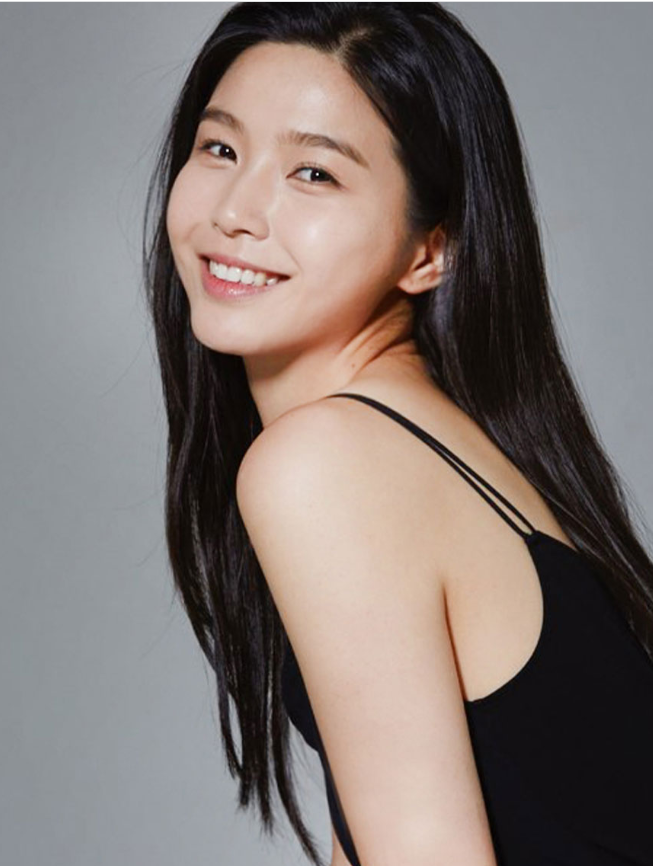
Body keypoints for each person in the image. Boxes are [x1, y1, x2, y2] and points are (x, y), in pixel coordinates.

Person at [143, 3, 653, 865]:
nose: (235, 211)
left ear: (429, 251)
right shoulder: (433, 440)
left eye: (313, 174)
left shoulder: (328, 464)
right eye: (220, 149)